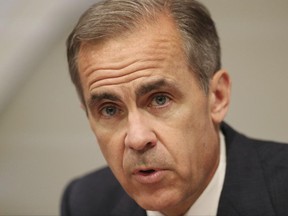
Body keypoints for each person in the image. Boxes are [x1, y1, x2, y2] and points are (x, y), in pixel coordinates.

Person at [61, 0, 288, 215]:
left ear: (217, 97)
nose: (138, 139)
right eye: (109, 110)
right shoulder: (86, 202)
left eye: (160, 99)